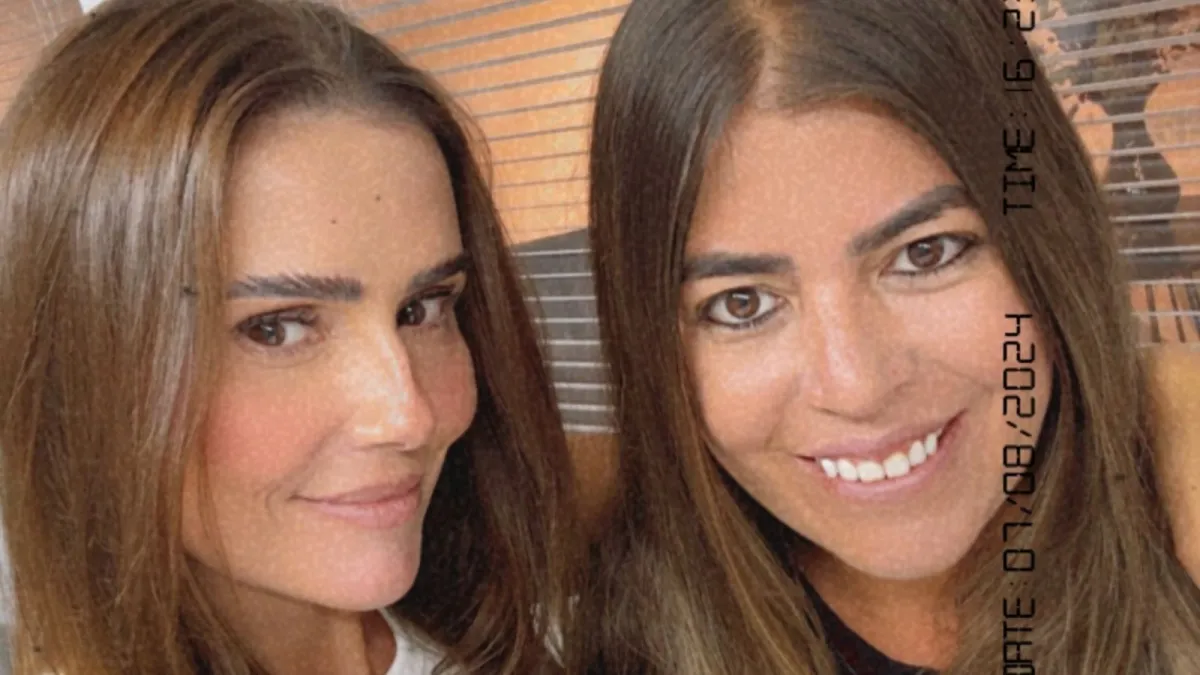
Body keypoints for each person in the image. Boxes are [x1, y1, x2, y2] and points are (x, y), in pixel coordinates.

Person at [572, 1, 1200, 673]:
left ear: (1049, 237)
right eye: (741, 303)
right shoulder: (612, 639)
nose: (856, 386)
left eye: (926, 253)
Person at [0, 0, 580, 673]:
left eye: (422, 309)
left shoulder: (535, 628)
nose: (409, 417)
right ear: (81, 370)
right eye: (275, 329)